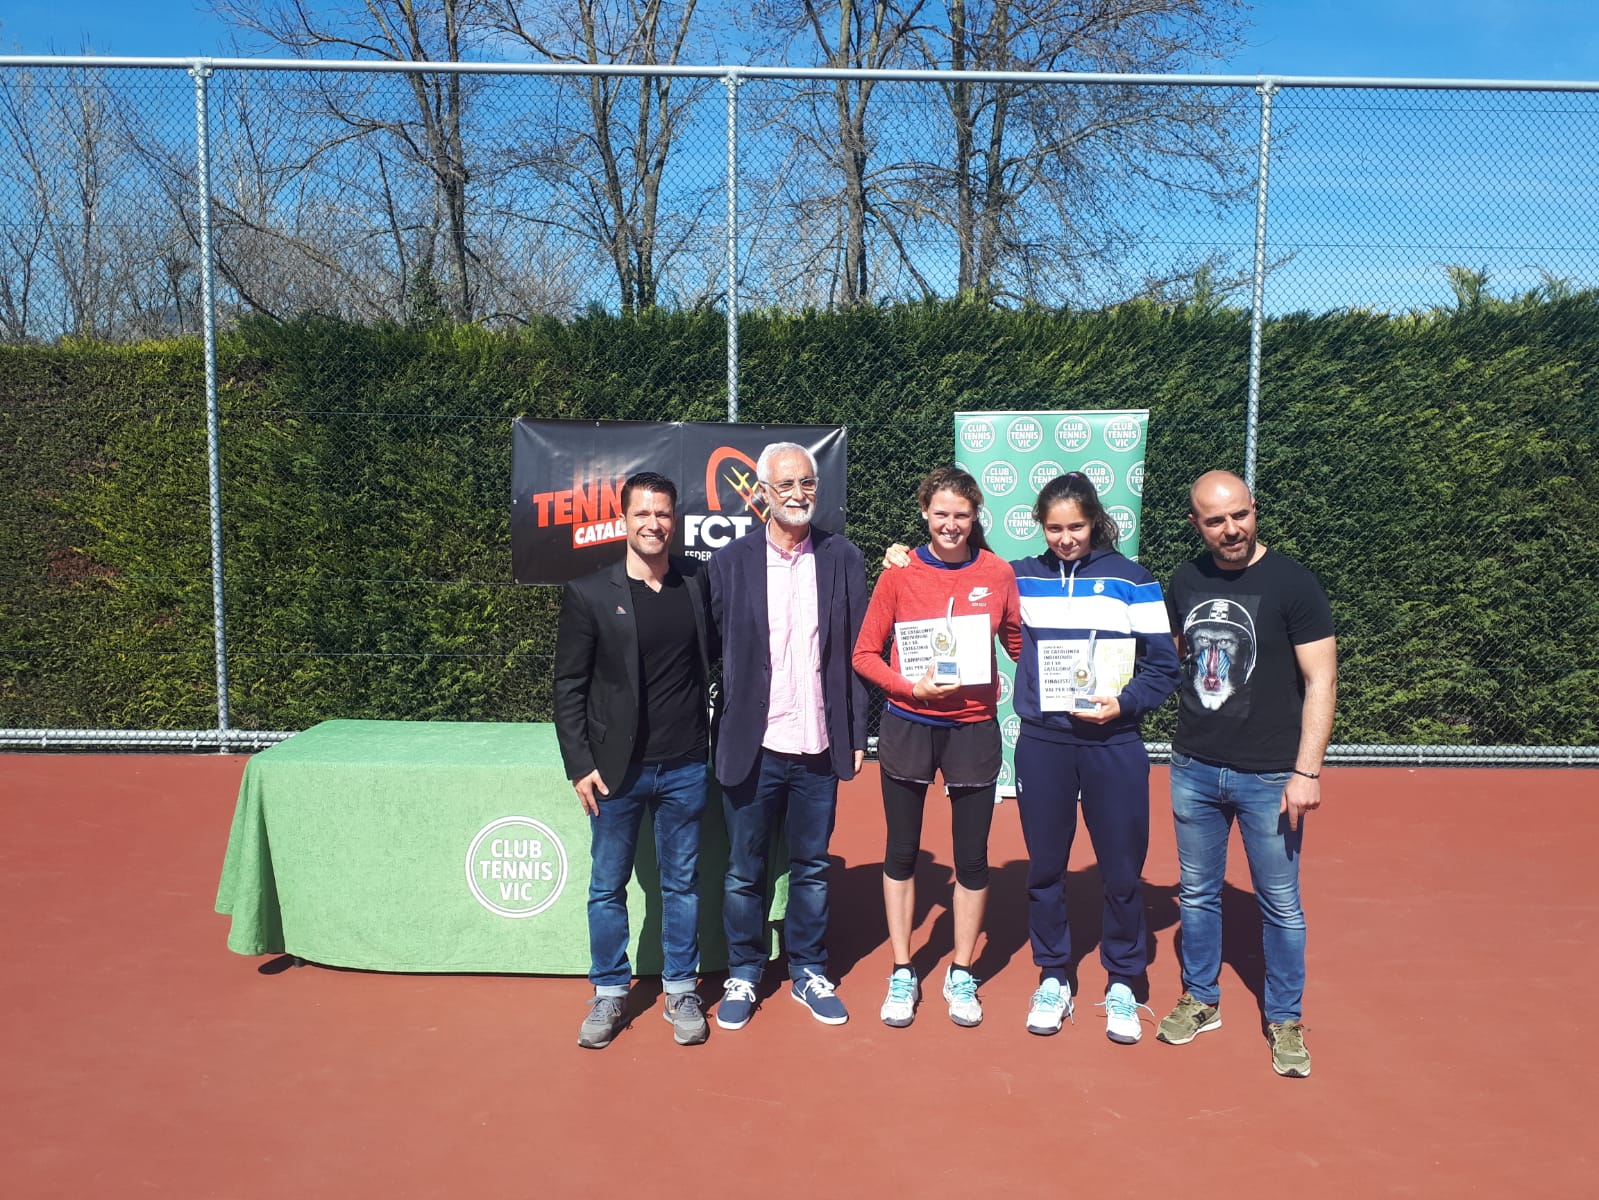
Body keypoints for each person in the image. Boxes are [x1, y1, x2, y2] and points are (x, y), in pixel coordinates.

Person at [1155, 469, 1337, 1079]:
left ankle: (1284, 1018)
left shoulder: (1293, 582)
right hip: (1194, 767)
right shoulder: (1185, 580)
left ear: (1254, 509)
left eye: (1240, 515)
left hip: (1271, 777)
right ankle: (1201, 999)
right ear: (1196, 524)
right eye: (1216, 520)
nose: (1231, 529)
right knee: (1197, 893)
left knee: (1281, 903)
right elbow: (1174, 659)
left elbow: (1321, 679)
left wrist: (1306, 771)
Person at [1010, 472, 1181, 1043]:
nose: (1065, 538)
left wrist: (1124, 703)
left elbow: (1164, 667)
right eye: (1054, 528)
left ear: (1095, 522)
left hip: (1114, 742)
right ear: (1040, 526)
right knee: (1045, 868)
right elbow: (960, 583)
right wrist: (906, 560)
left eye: (1076, 527)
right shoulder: (1020, 576)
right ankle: (1053, 974)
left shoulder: (1133, 580)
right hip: (1044, 743)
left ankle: (1124, 980)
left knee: (1122, 871)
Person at [706, 442, 869, 1030]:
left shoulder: (843, 557)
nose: (798, 495)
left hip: (818, 745)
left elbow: (856, 652)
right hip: (753, 746)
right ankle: (745, 972)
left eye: (807, 484)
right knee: (743, 872)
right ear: (763, 494)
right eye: (786, 485)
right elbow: (707, 650)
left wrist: (856, 730)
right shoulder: (729, 563)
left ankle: (808, 970)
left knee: (813, 868)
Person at [852, 468, 1021, 1029]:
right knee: (901, 852)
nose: (951, 524)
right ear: (925, 511)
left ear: (976, 517)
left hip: (973, 729)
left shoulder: (998, 573)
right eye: (941, 513)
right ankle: (903, 968)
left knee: (972, 858)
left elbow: (1019, 643)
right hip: (908, 725)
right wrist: (909, 688)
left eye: (962, 515)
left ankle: (962, 970)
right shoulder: (899, 572)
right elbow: (864, 654)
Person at [553, 472, 715, 1050]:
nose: (654, 524)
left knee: (682, 884)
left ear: (676, 521)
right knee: (606, 886)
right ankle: (609, 991)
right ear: (623, 520)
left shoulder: (697, 581)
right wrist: (579, 764)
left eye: (663, 514)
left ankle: (681, 990)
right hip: (614, 772)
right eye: (643, 514)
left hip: (687, 765)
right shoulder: (589, 593)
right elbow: (569, 686)